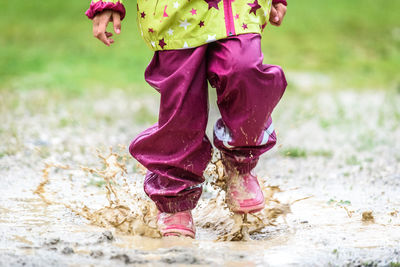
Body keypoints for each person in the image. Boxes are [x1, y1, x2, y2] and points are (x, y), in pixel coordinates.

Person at [86, 0, 287, 238]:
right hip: (174, 11)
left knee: (244, 70)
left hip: (237, 7)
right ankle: (175, 199)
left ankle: (240, 160)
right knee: (182, 104)